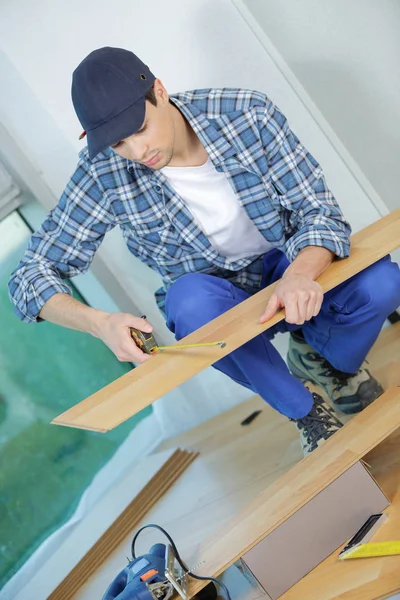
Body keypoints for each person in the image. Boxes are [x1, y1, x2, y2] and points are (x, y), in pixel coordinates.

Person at [8, 47, 400, 454]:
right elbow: (29, 276)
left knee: (383, 281)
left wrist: (300, 274)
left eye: (140, 129)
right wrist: (99, 322)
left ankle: (325, 361)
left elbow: (319, 213)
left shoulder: (247, 113)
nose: (138, 152)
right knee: (188, 303)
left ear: (159, 91)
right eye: (120, 142)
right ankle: (305, 411)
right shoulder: (104, 172)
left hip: (292, 264)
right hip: (216, 301)